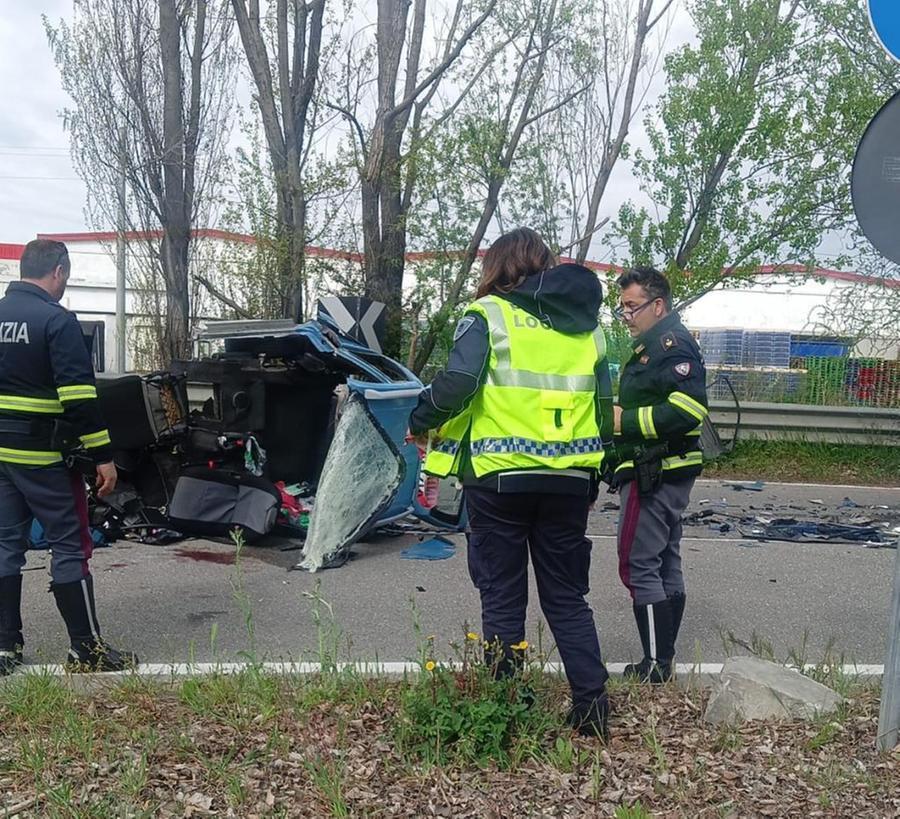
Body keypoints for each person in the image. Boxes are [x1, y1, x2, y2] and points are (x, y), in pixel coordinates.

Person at [409, 227, 616, 738]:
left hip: (500, 479)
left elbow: (458, 383)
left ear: (496, 266)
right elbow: (601, 408)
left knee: (502, 595)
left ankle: (508, 710)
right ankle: (592, 710)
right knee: (567, 596)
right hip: (569, 479)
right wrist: (594, 476)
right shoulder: (588, 328)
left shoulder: (488, 315)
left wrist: (419, 417)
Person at [0, 239, 136, 675]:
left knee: (4, 547)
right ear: (58, 271)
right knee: (70, 544)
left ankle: (5, 648)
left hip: (1, 457)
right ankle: (86, 650)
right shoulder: (56, 321)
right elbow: (79, 399)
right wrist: (103, 456)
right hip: (43, 457)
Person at [611, 266, 708, 683]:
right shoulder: (654, 345)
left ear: (658, 305)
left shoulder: (670, 346)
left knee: (638, 564)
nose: (626, 316)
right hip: (663, 468)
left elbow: (689, 411)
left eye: (631, 307)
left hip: (656, 469)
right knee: (664, 560)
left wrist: (624, 422)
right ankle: (661, 658)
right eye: (622, 309)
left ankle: (654, 665)